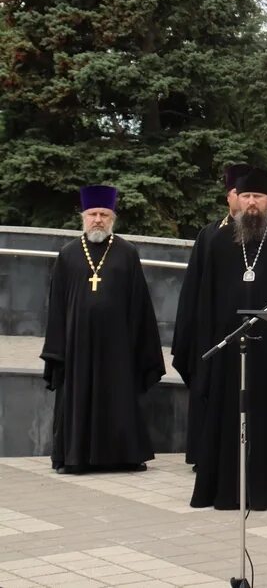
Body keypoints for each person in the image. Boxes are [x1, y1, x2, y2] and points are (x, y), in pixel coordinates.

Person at [189, 168, 267, 510]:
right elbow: (202, 299)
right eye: (246, 196)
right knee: (227, 417)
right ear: (236, 199)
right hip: (228, 348)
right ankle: (225, 489)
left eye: (258, 196)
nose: (252, 203)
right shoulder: (216, 241)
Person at [41, 185, 165, 474]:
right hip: (77, 345)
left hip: (117, 345)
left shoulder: (127, 253)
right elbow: (56, 306)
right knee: (76, 397)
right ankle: (74, 457)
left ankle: (124, 456)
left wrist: (138, 347)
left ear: (113, 217)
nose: (98, 219)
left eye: (104, 214)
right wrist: (56, 349)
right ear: (83, 216)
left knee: (118, 397)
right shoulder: (68, 254)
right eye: (93, 214)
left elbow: (140, 305)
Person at [173, 162, 250, 466]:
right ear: (229, 197)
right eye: (236, 192)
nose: (243, 199)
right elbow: (194, 288)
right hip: (213, 331)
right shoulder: (209, 235)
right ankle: (206, 456)